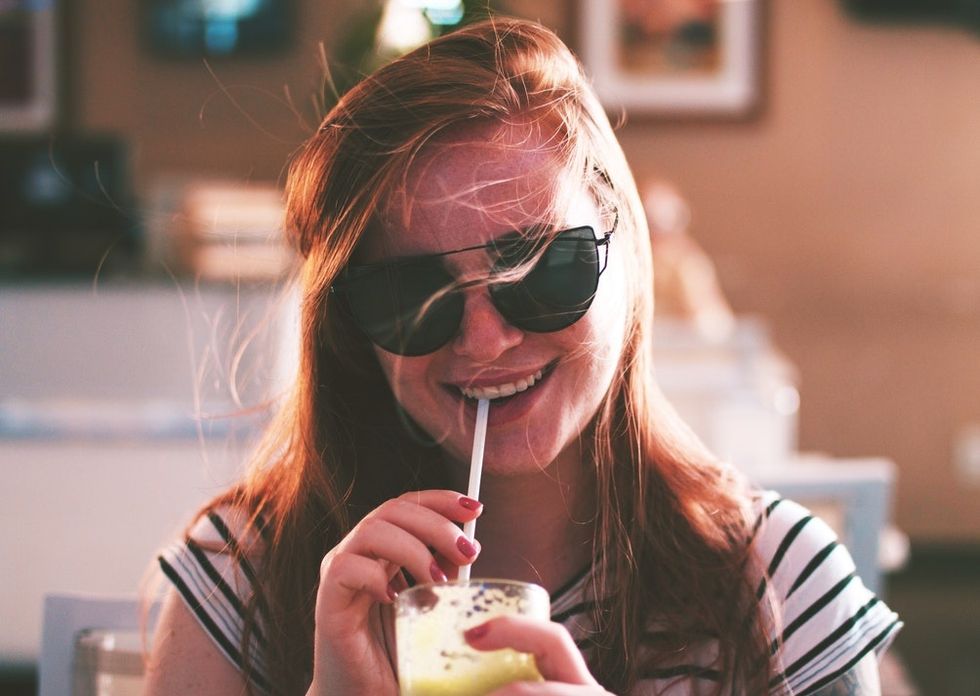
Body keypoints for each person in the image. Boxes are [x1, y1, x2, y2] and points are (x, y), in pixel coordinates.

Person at [143, 17, 900, 696]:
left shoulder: (776, 585)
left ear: (622, 258)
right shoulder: (241, 576)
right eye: (411, 293)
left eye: (542, 268)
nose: (484, 340)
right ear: (350, 328)